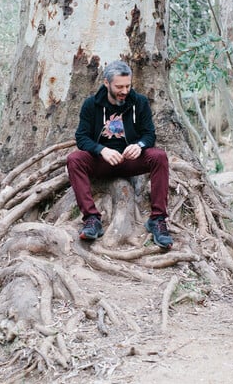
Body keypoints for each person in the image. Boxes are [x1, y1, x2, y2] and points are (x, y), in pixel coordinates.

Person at [66, 60, 173, 249]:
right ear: (106, 83)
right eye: (119, 86)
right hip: (102, 161)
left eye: (128, 85)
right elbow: (81, 137)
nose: (124, 91)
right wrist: (101, 150)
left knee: (159, 157)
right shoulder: (91, 105)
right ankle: (92, 219)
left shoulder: (139, 102)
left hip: (131, 161)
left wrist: (139, 145)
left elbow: (150, 134)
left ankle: (157, 220)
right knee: (74, 160)